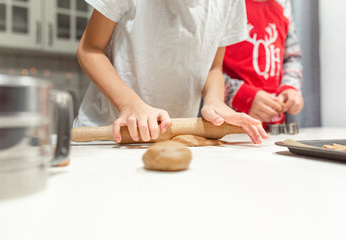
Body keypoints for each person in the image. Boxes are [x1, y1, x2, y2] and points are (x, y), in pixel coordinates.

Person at [74, 0, 268, 144]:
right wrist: (129, 103)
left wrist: (215, 101)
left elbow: (213, 68)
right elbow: (90, 49)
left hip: (175, 137)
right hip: (106, 134)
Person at [223, 0, 304, 126]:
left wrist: (291, 87)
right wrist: (239, 95)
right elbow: (206, 69)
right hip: (228, 128)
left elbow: (292, 57)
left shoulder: (283, 4)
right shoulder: (223, 4)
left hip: (275, 128)